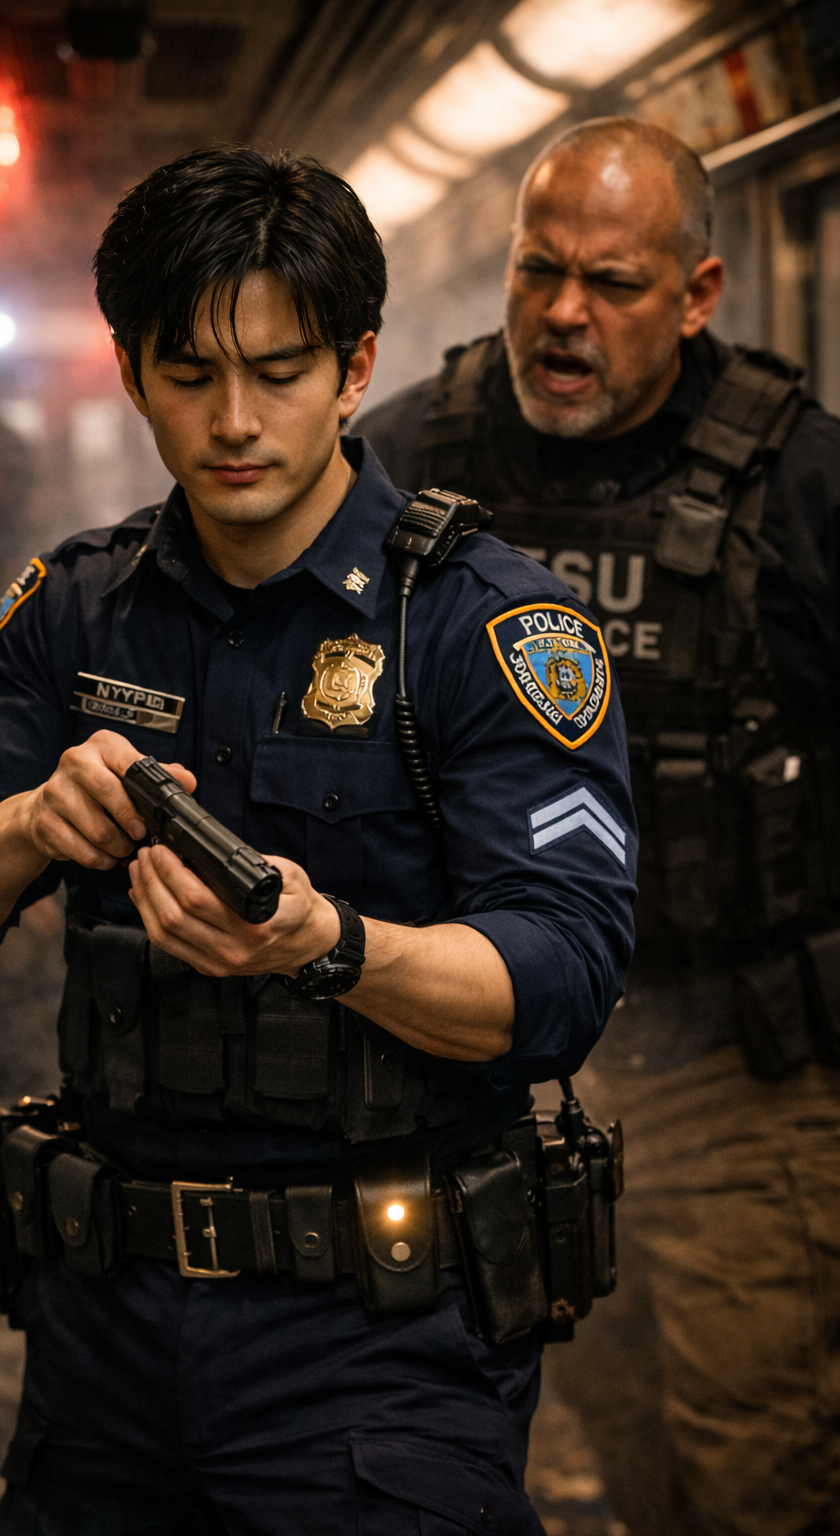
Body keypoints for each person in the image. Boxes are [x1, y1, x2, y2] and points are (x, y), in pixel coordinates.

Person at [0, 146, 636, 1534]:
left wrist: (333, 946)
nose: (235, 420)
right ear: (131, 370)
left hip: (381, 1338)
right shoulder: (79, 610)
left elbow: (564, 975)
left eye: (279, 371)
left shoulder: (479, 627)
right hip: (103, 1333)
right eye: (191, 374)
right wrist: (30, 823)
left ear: (353, 366)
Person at [359, 117, 840, 1536]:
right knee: (615, 1436)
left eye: (613, 285)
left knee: (758, 1461)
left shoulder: (804, 488)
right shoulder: (406, 464)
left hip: (732, 1066)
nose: (564, 315)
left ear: (697, 296)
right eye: (537, 271)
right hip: (487, 1054)